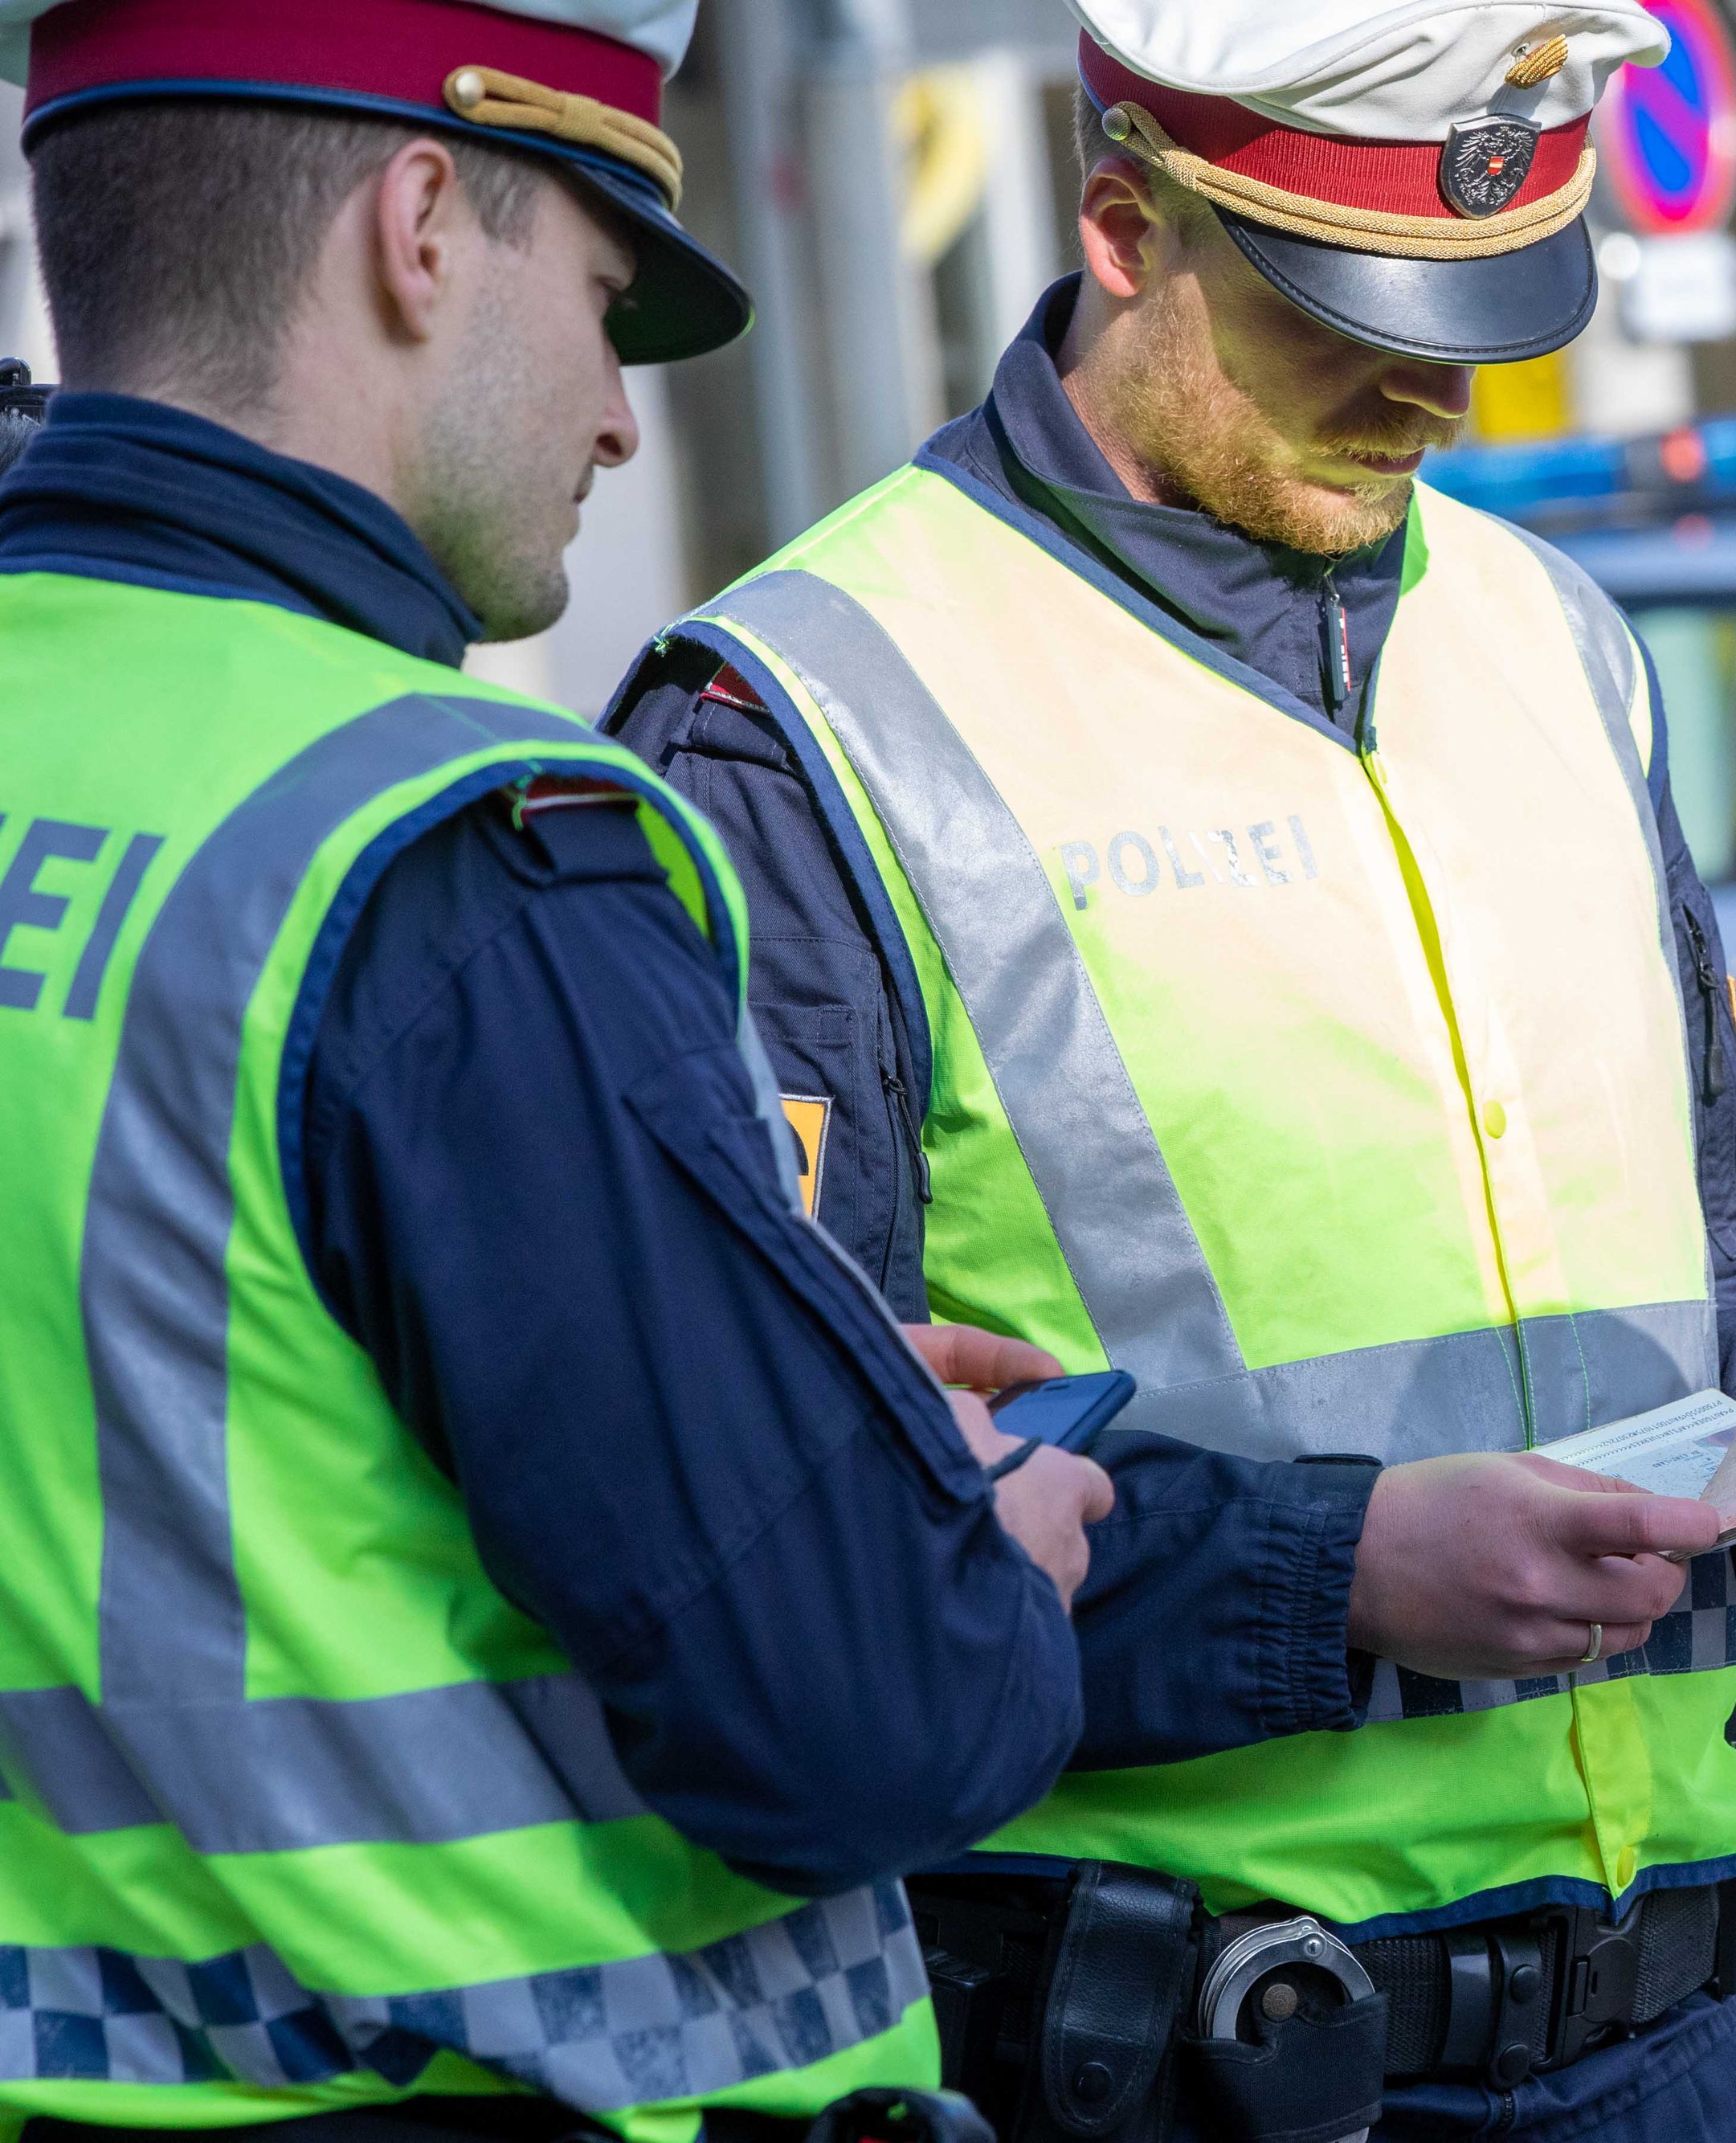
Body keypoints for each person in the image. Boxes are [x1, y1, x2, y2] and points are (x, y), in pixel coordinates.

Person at [605, 3, 1736, 2136]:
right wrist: (1339, 1576)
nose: (1434, 392)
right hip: (1175, 2057)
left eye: (1482, 318)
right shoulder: (798, 719)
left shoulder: (1559, 636)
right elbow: (780, 1530)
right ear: (1121, 227)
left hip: (1670, 2034)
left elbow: (1733, 1230)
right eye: (1347, 312)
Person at [0, 2, 1342, 2133]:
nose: (624, 427)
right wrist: (976, 1549)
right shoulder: (452, 854)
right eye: (607, 301)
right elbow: (859, 1718)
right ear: (421, 226)